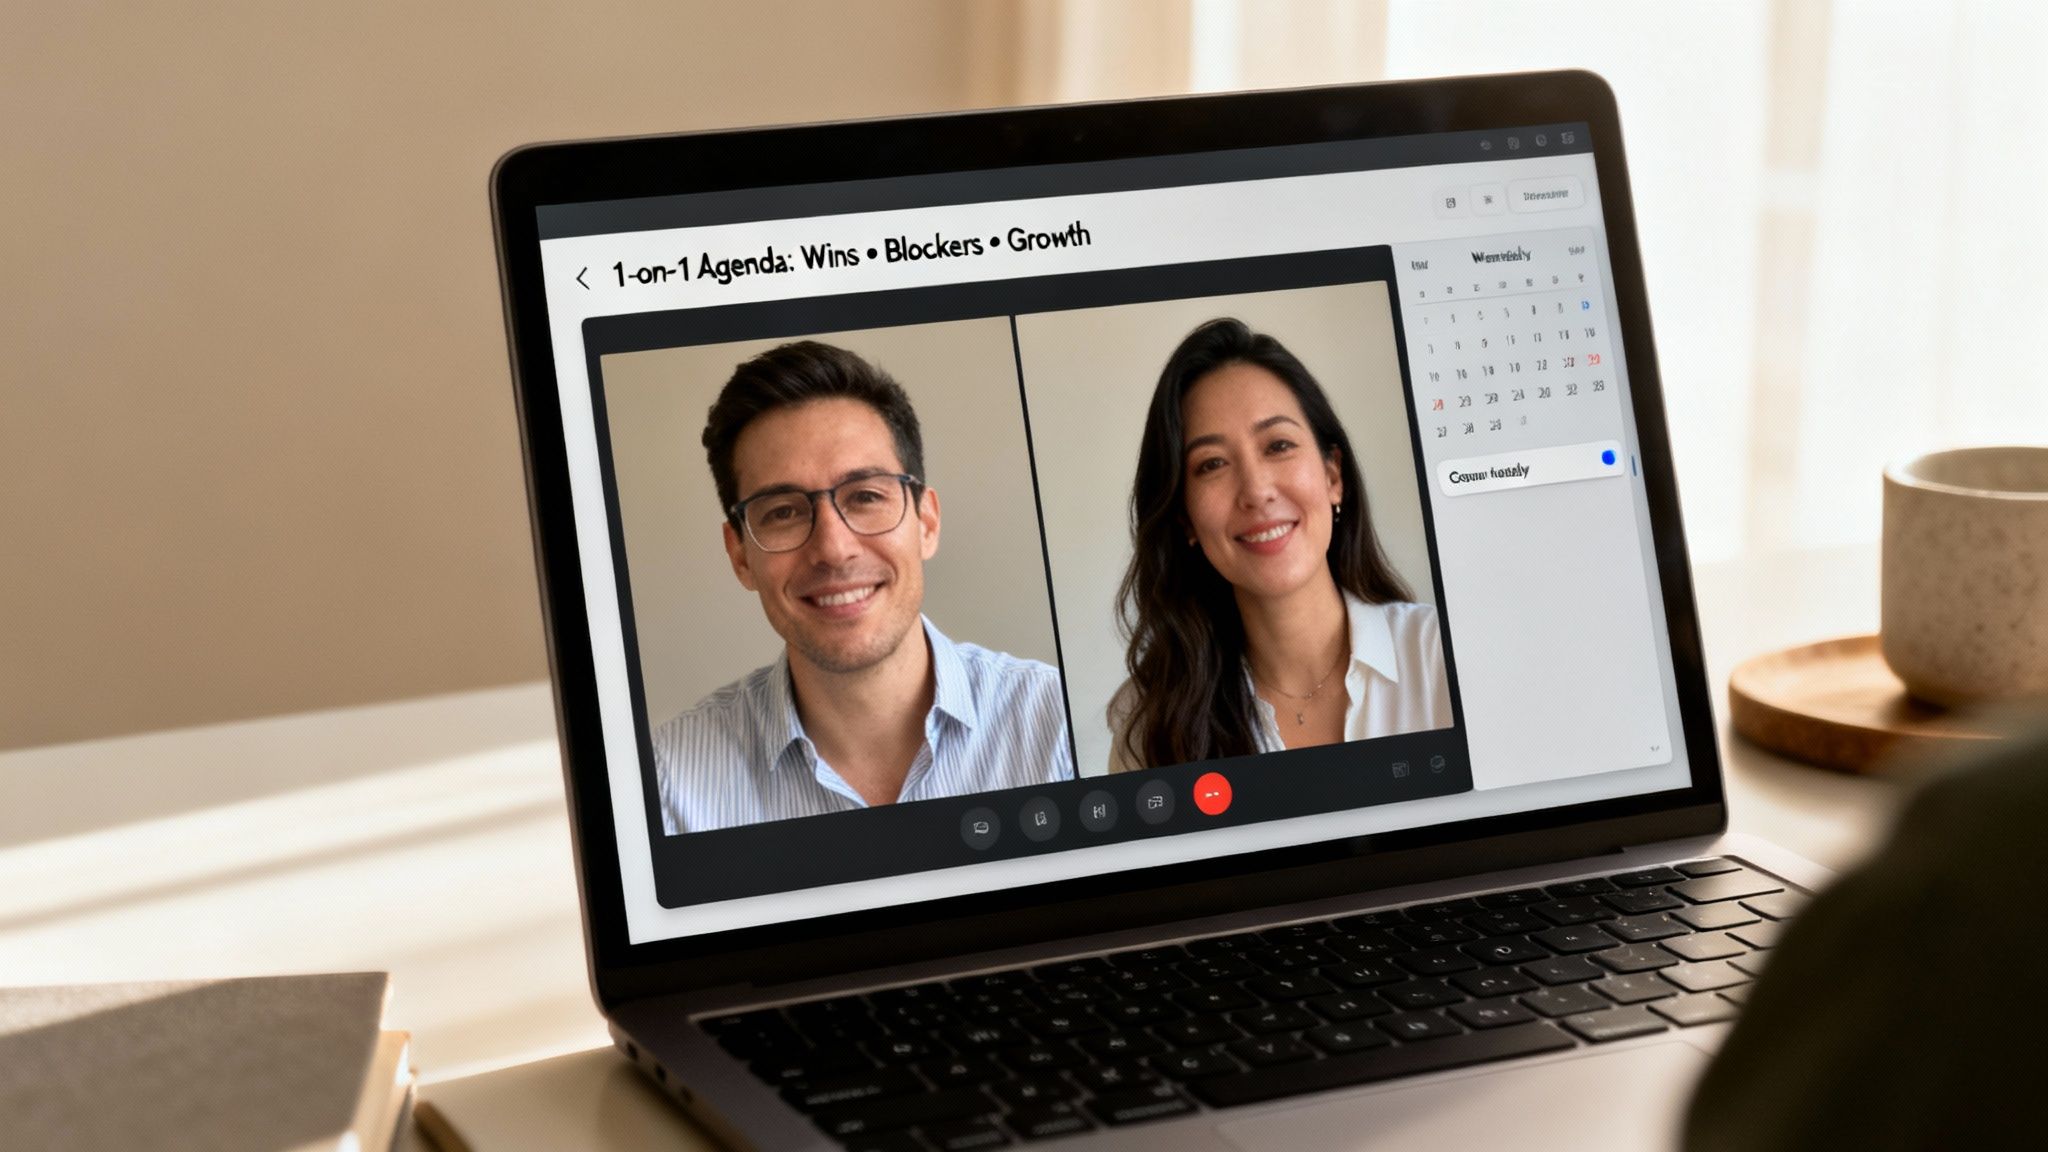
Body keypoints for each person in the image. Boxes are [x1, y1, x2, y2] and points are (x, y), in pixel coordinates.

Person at [653, 340, 1073, 832]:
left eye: (866, 496)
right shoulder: (668, 786)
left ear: (926, 522)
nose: (833, 548)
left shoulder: (1057, 725)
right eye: (783, 511)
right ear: (740, 554)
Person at [1110, 317, 1451, 773]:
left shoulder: (1443, 658)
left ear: (1333, 476)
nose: (1256, 490)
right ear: (1184, 518)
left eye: (1278, 445)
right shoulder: (1148, 722)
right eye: (1212, 463)